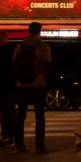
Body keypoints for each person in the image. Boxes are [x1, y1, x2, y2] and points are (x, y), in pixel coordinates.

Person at [13, 21, 52, 153]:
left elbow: (14, 63)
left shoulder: (20, 45)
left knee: (20, 116)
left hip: (22, 85)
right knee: (39, 116)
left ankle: (19, 144)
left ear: (29, 31)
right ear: (40, 30)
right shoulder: (43, 46)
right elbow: (48, 65)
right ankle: (39, 145)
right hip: (38, 84)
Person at [0, 30, 17, 148]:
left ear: (6, 38)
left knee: (7, 112)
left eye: (1, 38)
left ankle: (9, 137)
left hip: (7, 85)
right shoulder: (5, 49)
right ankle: (7, 136)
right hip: (5, 85)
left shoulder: (5, 50)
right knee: (5, 112)